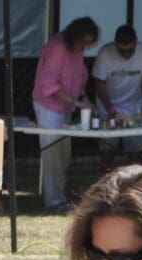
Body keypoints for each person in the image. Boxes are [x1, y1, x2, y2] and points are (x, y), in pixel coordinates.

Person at [31, 17, 99, 208]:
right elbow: (49, 85)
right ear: (75, 36)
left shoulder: (77, 50)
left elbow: (80, 77)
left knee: (63, 153)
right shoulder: (57, 48)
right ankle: (53, 200)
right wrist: (77, 102)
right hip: (49, 107)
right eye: (84, 41)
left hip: (66, 106)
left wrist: (83, 98)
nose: (85, 46)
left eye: (89, 43)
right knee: (52, 151)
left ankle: (57, 195)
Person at [92, 24, 142, 163]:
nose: (127, 54)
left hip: (134, 107)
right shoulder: (105, 53)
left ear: (136, 42)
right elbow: (99, 84)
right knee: (107, 151)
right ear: (115, 42)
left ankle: (136, 184)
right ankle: (107, 184)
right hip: (107, 106)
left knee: (136, 153)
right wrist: (110, 108)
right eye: (122, 51)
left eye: (130, 50)